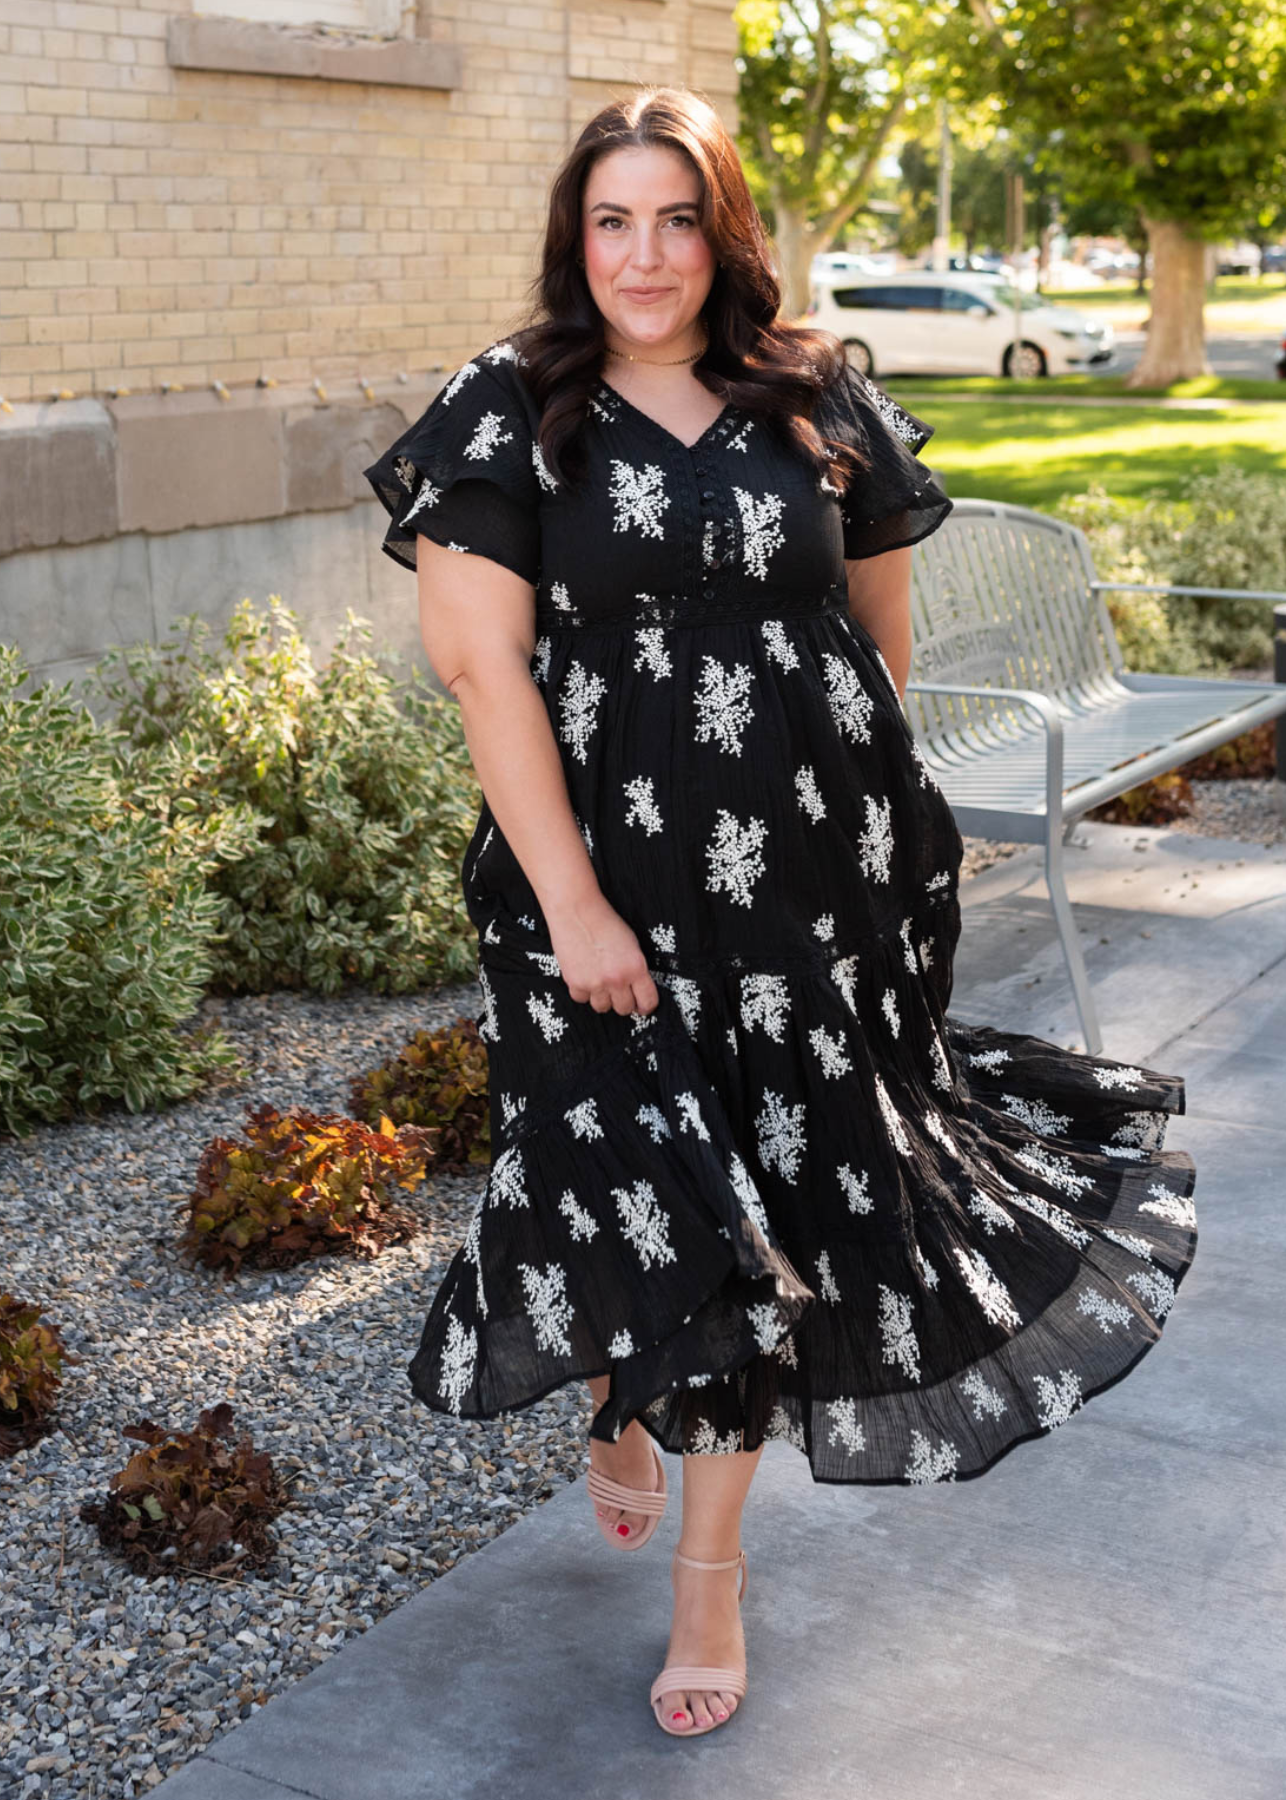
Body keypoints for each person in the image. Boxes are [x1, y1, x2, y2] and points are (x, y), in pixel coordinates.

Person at [362, 85, 1198, 1741]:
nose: (644, 254)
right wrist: (579, 904)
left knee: (776, 1206)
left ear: (722, 228)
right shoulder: (507, 412)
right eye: (612, 219)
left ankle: (708, 1580)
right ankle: (618, 1395)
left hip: (811, 891)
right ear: (572, 236)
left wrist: (852, 834)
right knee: (624, 1177)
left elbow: (869, 643)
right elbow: (483, 675)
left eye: (677, 216)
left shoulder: (816, 396)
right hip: (593, 889)